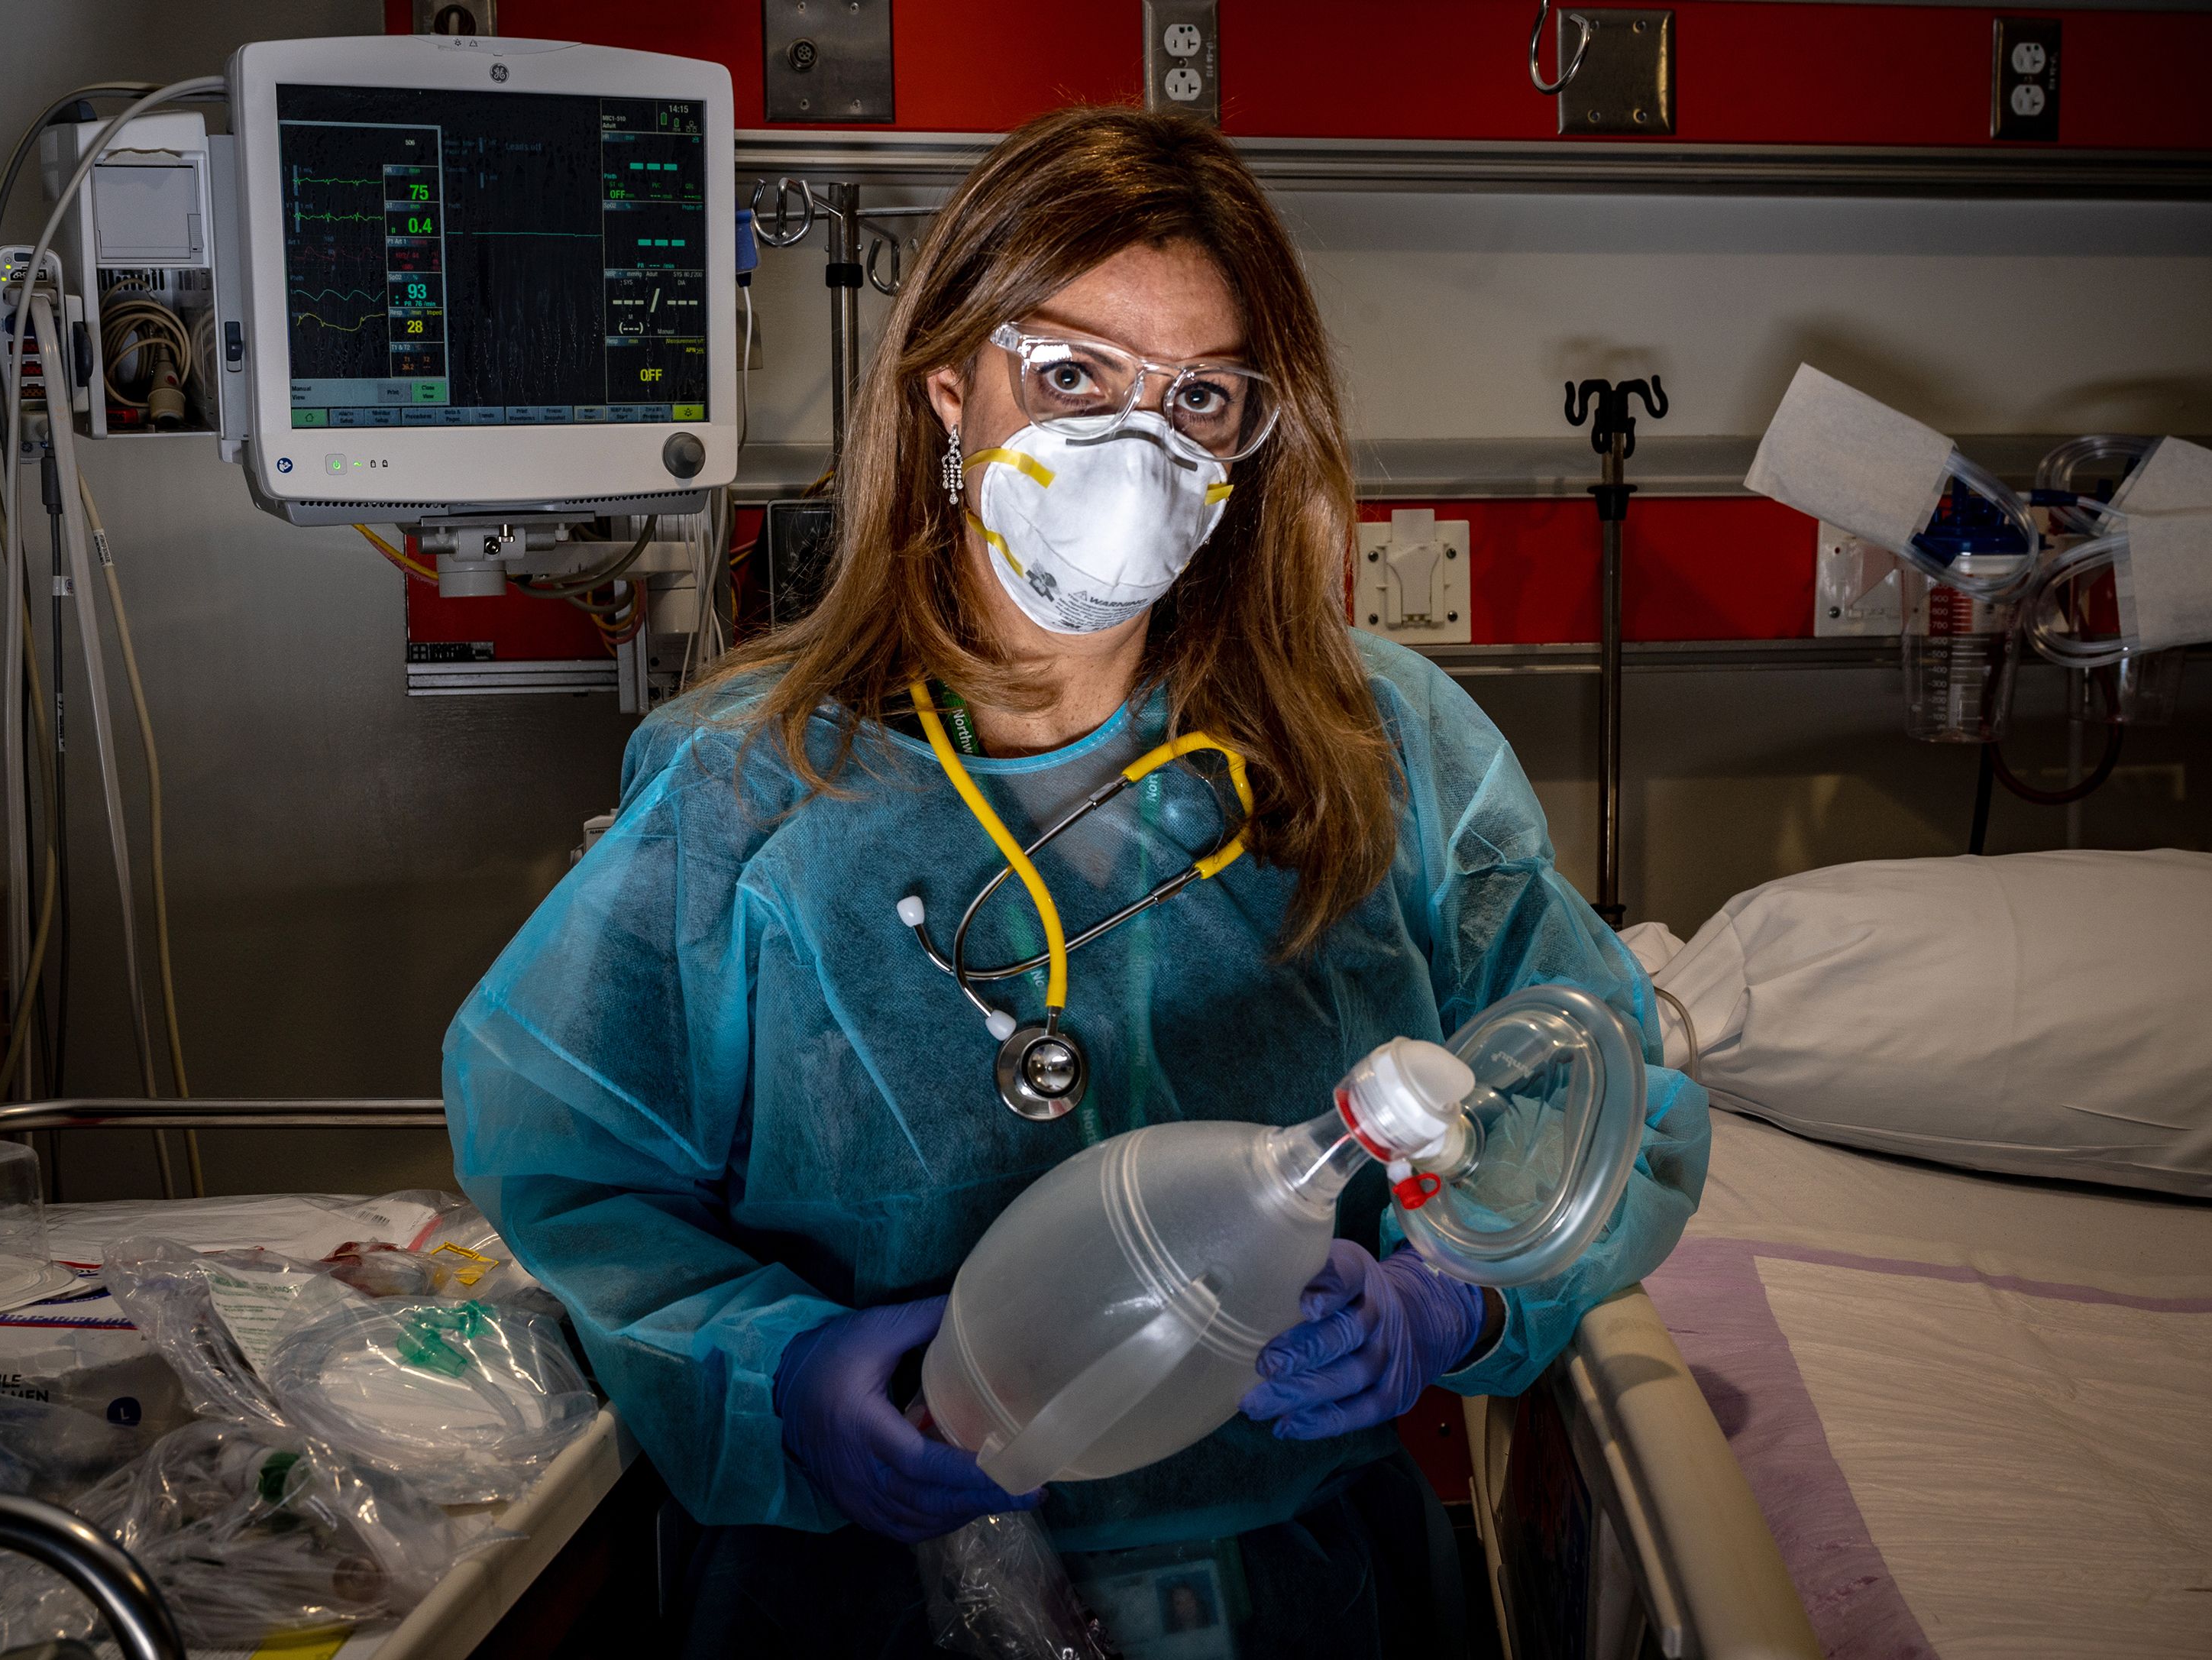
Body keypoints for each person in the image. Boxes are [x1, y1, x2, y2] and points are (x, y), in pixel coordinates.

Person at [445, 107, 1707, 1658]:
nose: (1135, 447)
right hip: (863, 1605)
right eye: (1070, 376)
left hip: (1298, 1590)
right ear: (947, 394)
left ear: (1253, 435)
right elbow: (575, 1173)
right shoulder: (745, 794)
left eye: (1199, 396)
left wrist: (1455, 1293)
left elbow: (1603, 1070)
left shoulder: (1379, 749)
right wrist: (776, 1372)